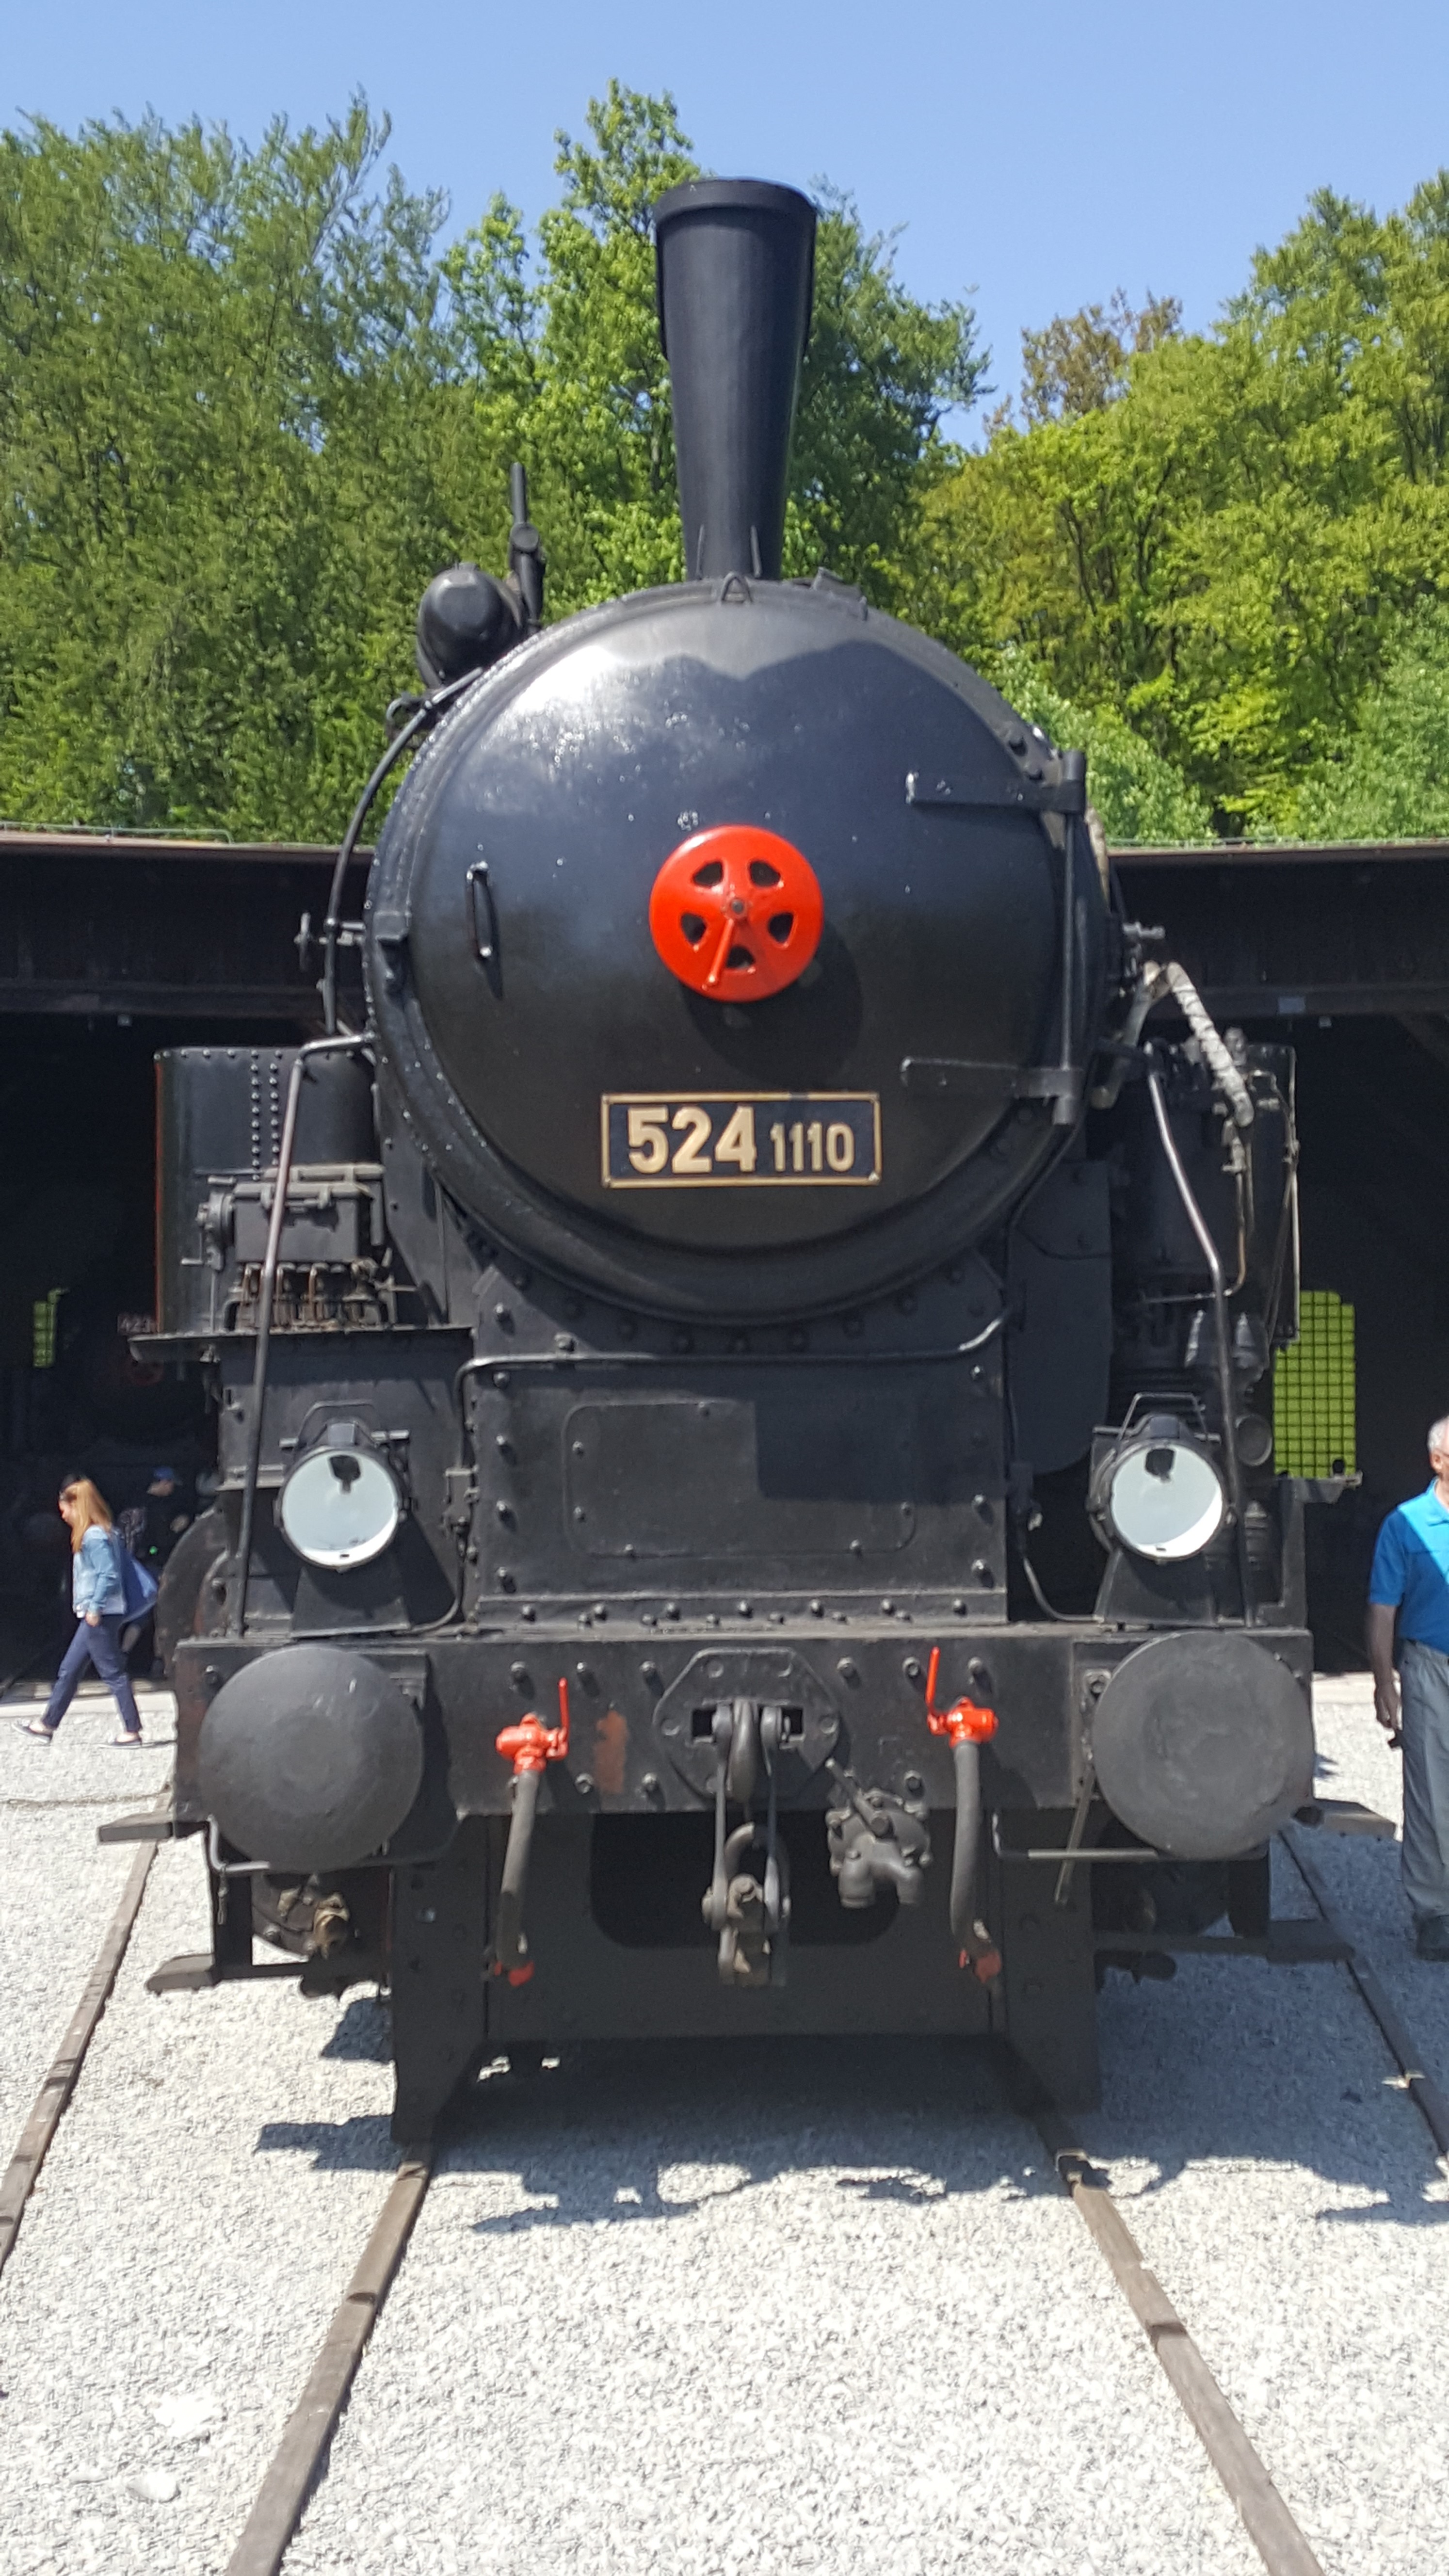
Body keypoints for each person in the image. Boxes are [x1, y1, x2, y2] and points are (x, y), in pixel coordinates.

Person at [1367, 1414, 1449, 1960]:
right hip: (1430, 1666)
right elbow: (1382, 1608)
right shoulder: (1406, 1524)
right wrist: (1383, 1682)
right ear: (1438, 1461)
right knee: (1431, 1791)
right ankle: (1435, 1911)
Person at [17, 1477, 144, 1746]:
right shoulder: (107, 1532)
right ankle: (47, 1724)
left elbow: (108, 1575)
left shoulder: (93, 1536)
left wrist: (95, 1607)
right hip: (101, 1612)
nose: (63, 1515)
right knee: (70, 1670)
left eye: (65, 1509)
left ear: (78, 1506)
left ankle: (132, 1730)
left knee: (112, 1672)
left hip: (100, 1613)